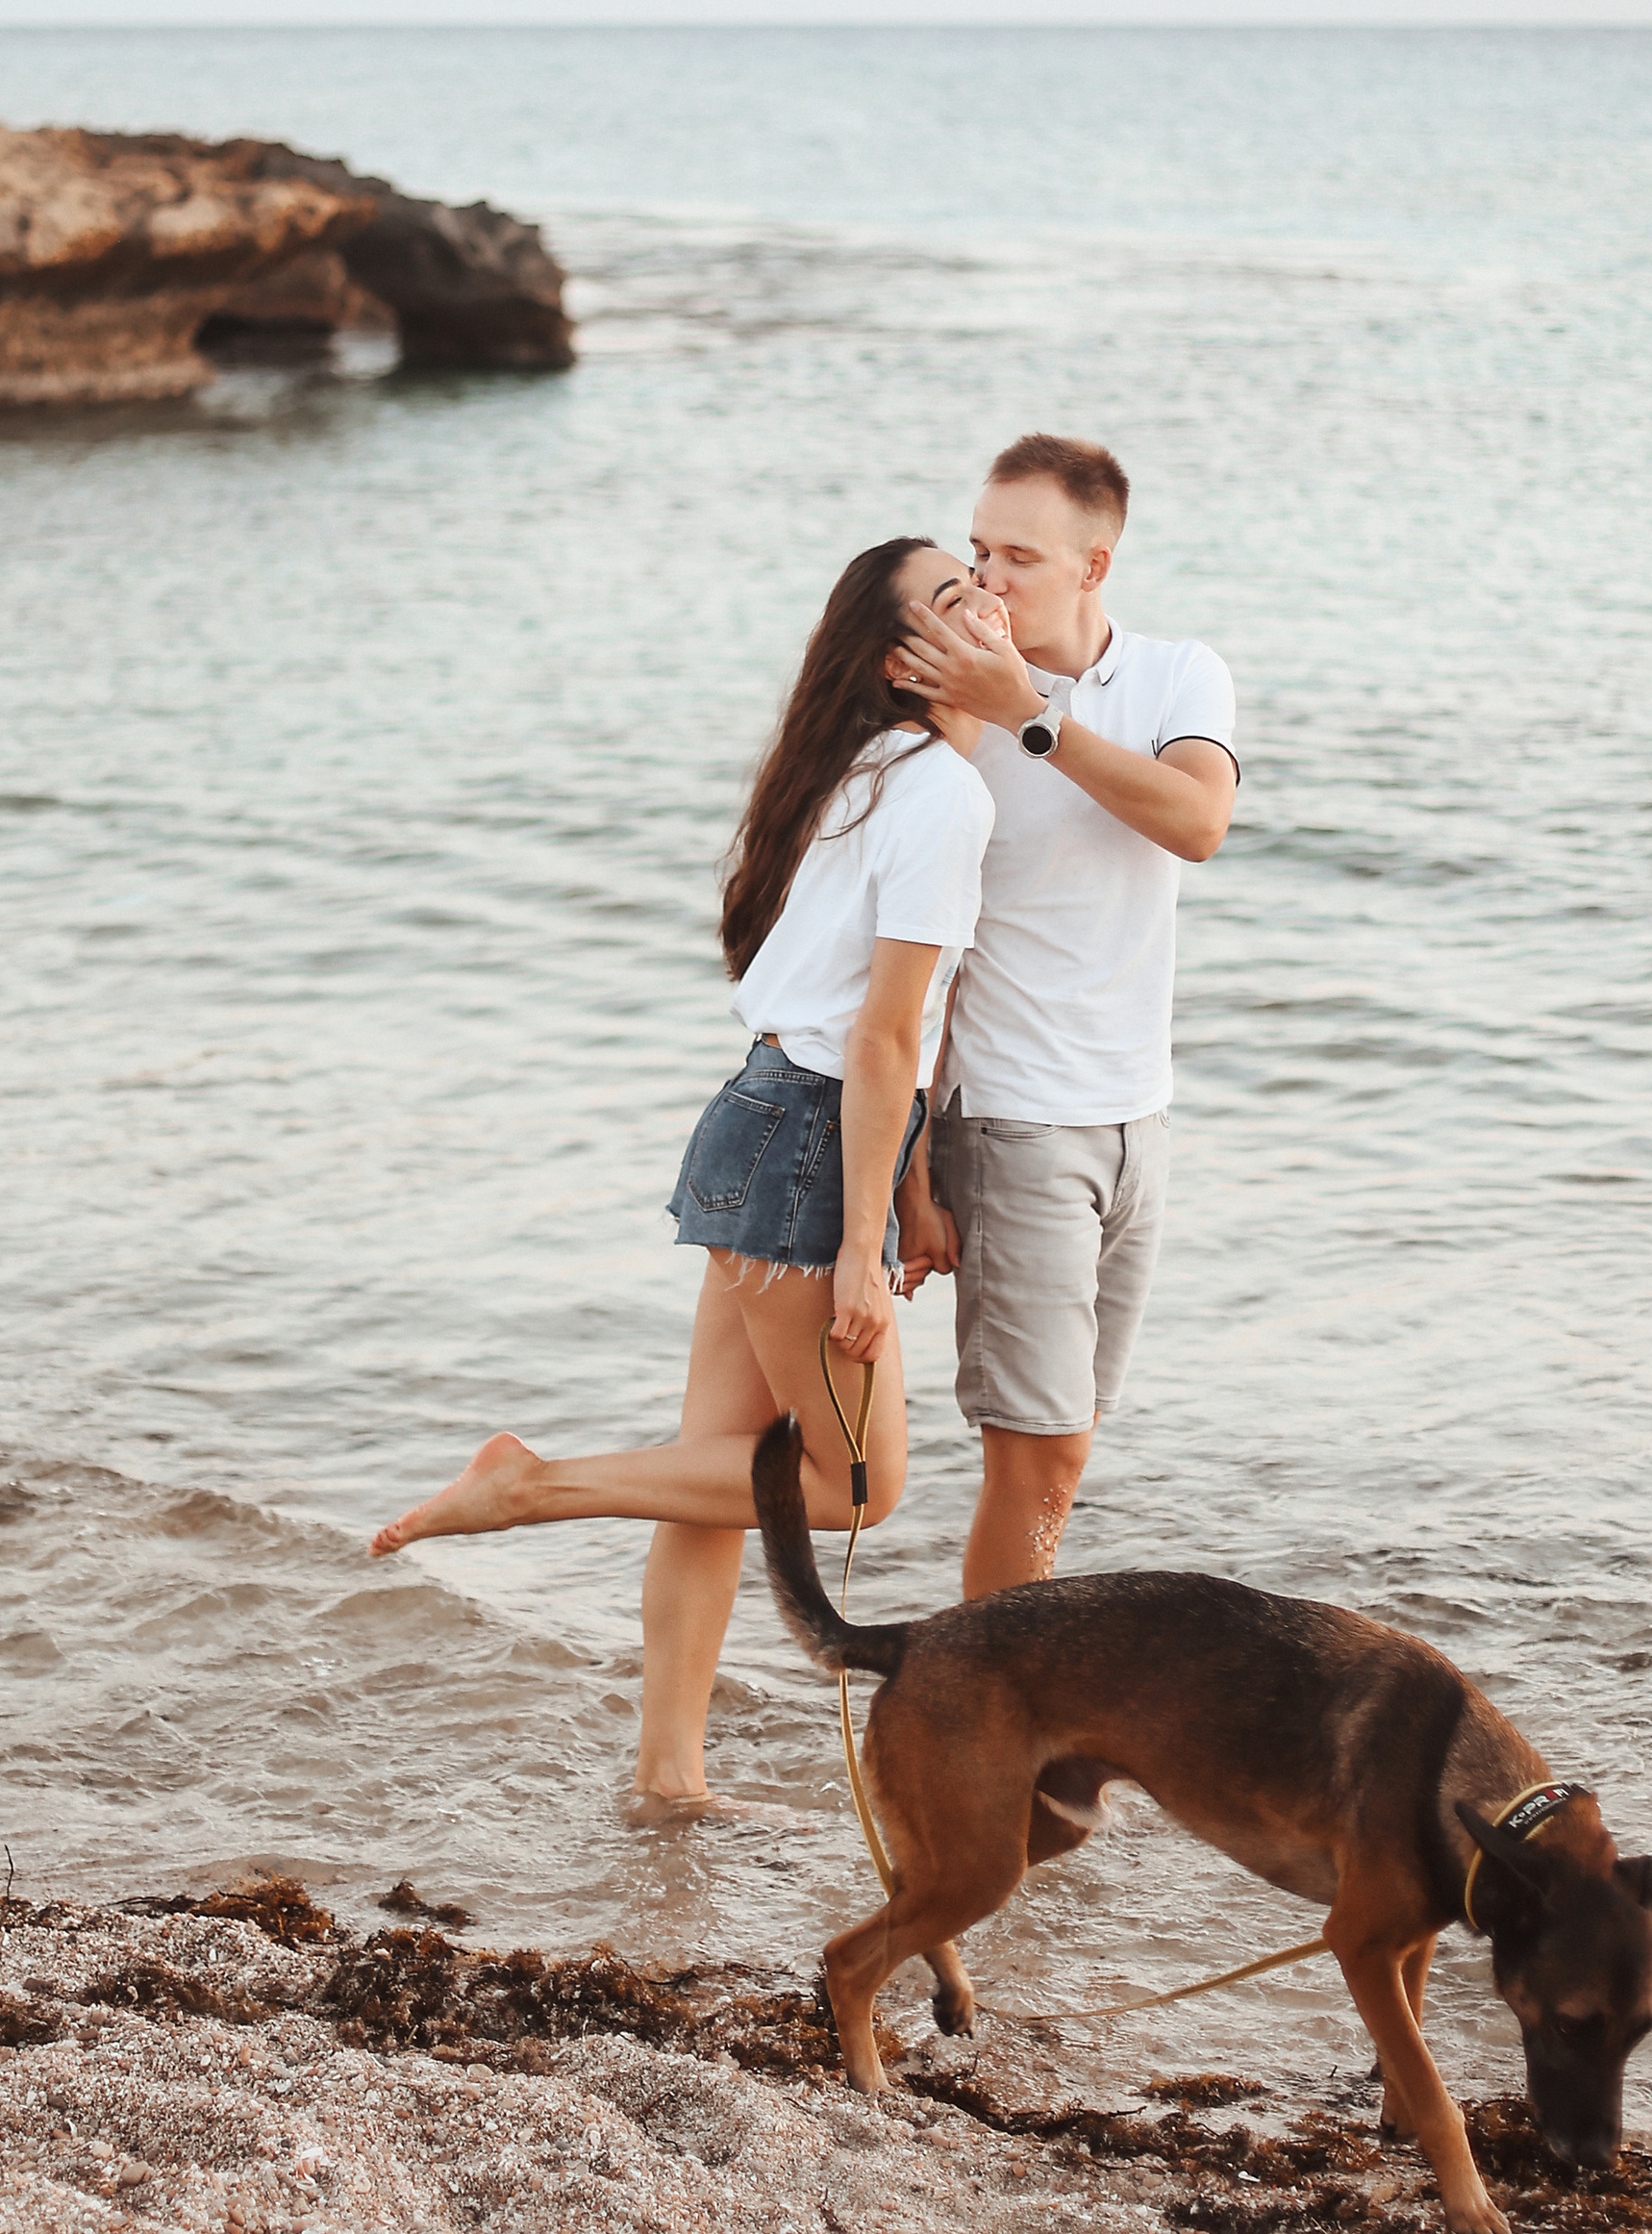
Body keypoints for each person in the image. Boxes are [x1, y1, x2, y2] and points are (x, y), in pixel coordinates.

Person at [367, 536, 990, 1817]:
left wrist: (908, 1188)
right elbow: (880, 1037)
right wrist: (864, 1244)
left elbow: (869, 1021)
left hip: (759, 1121)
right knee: (856, 1487)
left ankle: (666, 1779)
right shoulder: (938, 790)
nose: (983, 598)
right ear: (899, 662)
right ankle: (527, 1488)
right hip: (810, 1144)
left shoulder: (869, 771)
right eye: (952, 595)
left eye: (980, 580)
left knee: (712, 1471)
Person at [892, 432, 1238, 1597]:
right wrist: (911, 1173)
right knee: (1031, 1459)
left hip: (1140, 1118)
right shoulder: (947, 708)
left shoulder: (1178, 675)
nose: (985, 578)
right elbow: (912, 961)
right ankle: (992, 1696)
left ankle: (1009, 1680)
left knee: (1068, 1449)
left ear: (1093, 567)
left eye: (1017, 557)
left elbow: (1195, 822)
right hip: (1010, 1122)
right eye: (978, 550)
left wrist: (1032, 715)